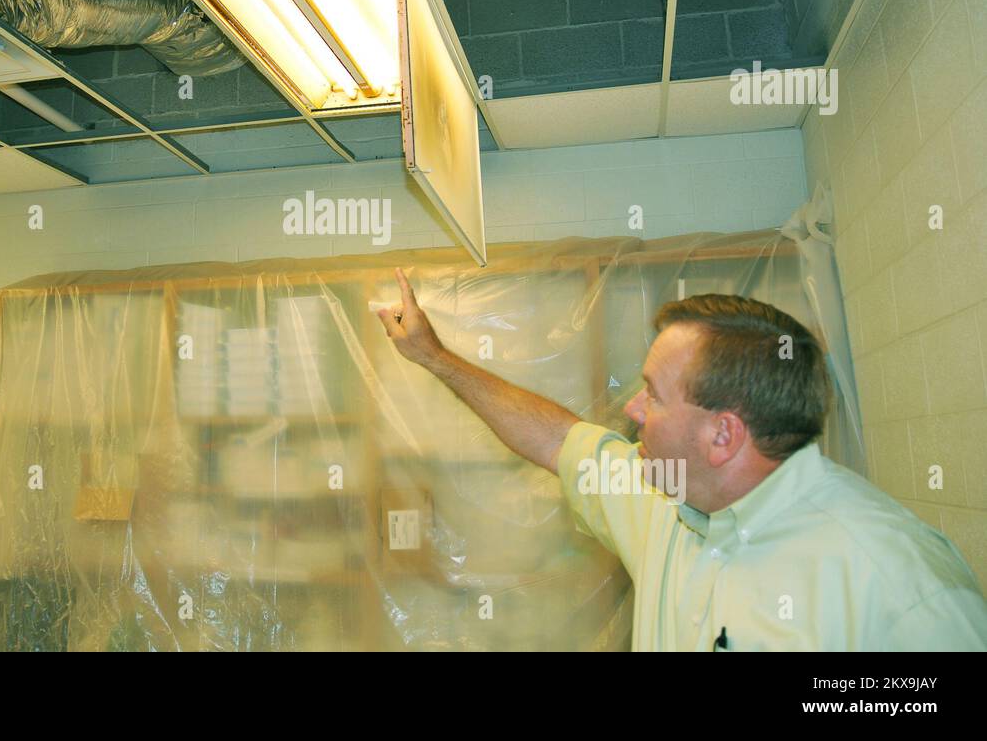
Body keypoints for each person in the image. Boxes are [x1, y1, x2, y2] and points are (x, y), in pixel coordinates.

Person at [376, 267, 987, 651]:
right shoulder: (667, 499)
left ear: (723, 436)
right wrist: (433, 356)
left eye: (654, 395)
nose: (633, 409)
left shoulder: (895, 582)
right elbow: (557, 439)